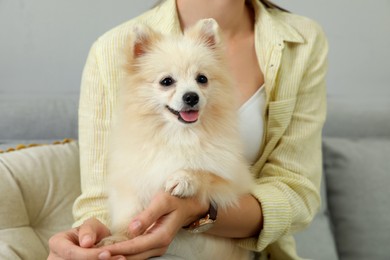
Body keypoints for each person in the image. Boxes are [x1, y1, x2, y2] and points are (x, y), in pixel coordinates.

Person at [48, 0, 328, 259]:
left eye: (201, 79)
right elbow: (100, 199)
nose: (190, 93)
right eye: (167, 81)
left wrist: (198, 207)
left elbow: (297, 194)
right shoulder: (110, 48)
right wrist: (90, 240)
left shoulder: (302, 41)